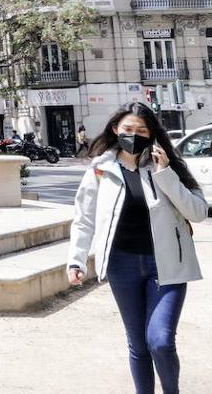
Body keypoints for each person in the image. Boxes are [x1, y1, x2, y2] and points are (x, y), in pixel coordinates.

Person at [67, 103, 207, 394]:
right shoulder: (100, 171)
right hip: (122, 266)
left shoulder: (167, 165)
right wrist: (76, 261)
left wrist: (165, 173)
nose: (133, 135)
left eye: (141, 130)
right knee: (139, 345)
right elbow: (84, 220)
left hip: (166, 266)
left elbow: (197, 212)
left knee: (161, 341)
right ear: (115, 129)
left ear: (152, 132)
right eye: (128, 129)